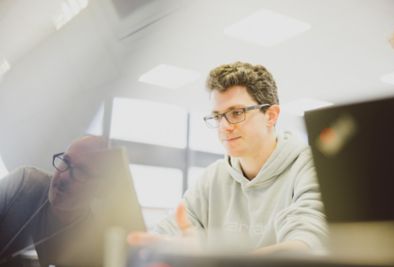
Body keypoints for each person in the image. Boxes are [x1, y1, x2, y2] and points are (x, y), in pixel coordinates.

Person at [128, 62, 328, 254]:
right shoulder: (213, 177)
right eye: (217, 116)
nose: (224, 126)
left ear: (271, 115)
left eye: (236, 113)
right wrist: (159, 247)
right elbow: (172, 229)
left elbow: (305, 245)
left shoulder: (309, 166)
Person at [0, 135, 109, 267]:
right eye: (65, 161)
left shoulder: (95, 248)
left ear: (99, 188)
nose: (63, 176)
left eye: (80, 171)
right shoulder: (23, 184)